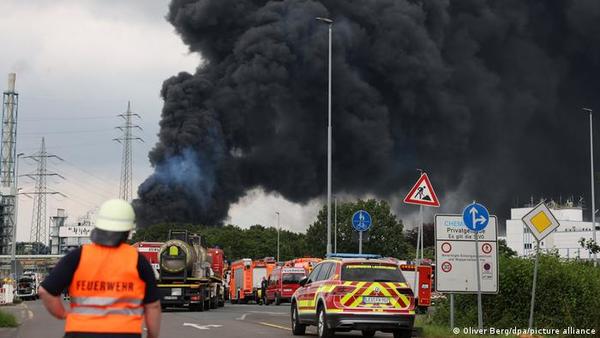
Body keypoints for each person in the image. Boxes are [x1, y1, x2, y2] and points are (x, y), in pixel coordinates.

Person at [39, 199, 161, 338]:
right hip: (125, 333)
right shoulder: (138, 261)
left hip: (80, 333)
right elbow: (153, 306)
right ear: (128, 231)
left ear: (98, 227)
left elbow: (45, 291)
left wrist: (62, 314)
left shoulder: (77, 257)